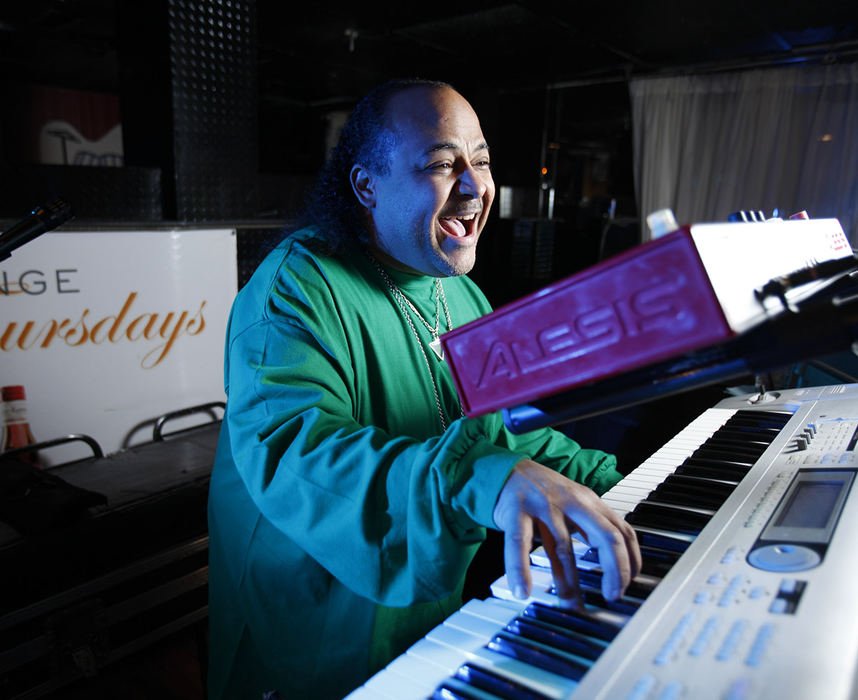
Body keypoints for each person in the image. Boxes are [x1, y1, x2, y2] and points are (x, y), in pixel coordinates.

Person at [206, 78, 641, 699]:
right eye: (442, 163)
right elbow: (297, 451)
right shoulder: (295, 289)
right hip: (314, 621)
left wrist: (623, 487)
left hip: (428, 605)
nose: (474, 185)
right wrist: (484, 477)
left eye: (482, 160)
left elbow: (515, 429)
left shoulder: (461, 292)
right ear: (367, 186)